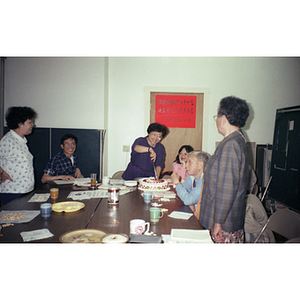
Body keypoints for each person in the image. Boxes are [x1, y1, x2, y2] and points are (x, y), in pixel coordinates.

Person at [198, 96, 250, 243]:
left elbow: (227, 189)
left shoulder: (231, 145)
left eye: (217, 116)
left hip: (224, 223)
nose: (217, 120)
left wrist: (218, 223)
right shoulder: (237, 139)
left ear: (223, 118)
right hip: (226, 218)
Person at [0, 106, 38, 206]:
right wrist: (2, 172)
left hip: (26, 191)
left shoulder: (21, 141)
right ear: (19, 123)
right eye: (30, 122)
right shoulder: (8, 140)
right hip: (13, 192)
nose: (32, 125)